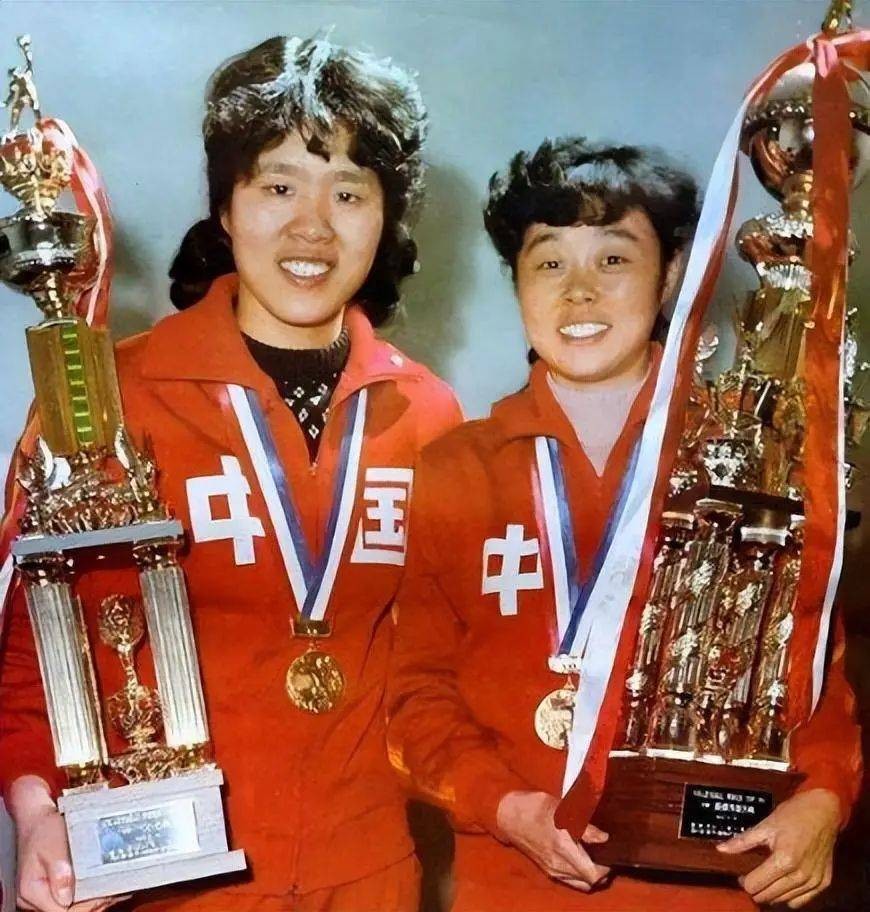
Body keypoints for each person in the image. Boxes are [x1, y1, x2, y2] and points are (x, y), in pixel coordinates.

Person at [1, 34, 461, 912]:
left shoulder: (429, 415)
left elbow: (447, 665)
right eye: (278, 186)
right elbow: (29, 648)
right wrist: (38, 814)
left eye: (349, 192)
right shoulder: (112, 397)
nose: (312, 225)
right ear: (225, 207)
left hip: (369, 874)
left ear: (386, 219)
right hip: (168, 879)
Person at [387, 137, 862, 911]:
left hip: (703, 890)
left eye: (613, 259)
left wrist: (824, 800)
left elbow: (810, 673)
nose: (580, 292)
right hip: (511, 887)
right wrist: (503, 805)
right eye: (549, 262)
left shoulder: (745, 459)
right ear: (516, 281)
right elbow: (415, 696)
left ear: (670, 272)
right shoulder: (455, 470)